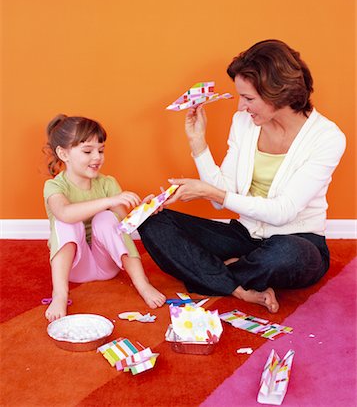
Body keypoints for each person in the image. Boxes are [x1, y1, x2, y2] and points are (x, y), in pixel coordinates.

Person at [138, 39, 346, 313]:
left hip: (296, 240)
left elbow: (282, 212)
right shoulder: (244, 123)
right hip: (244, 234)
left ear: (277, 92)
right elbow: (220, 198)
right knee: (151, 222)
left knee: (287, 255)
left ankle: (215, 273)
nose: (241, 106)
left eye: (248, 98)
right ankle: (241, 287)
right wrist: (198, 143)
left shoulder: (328, 138)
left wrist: (210, 192)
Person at [43, 114, 166, 322]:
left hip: (107, 264)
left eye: (101, 150)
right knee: (65, 221)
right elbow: (64, 212)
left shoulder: (108, 183)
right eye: (87, 151)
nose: (97, 157)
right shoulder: (54, 186)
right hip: (75, 268)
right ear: (63, 154)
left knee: (106, 218)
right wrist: (107, 202)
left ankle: (142, 283)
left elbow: (124, 222)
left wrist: (146, 209)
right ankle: (60, 294)